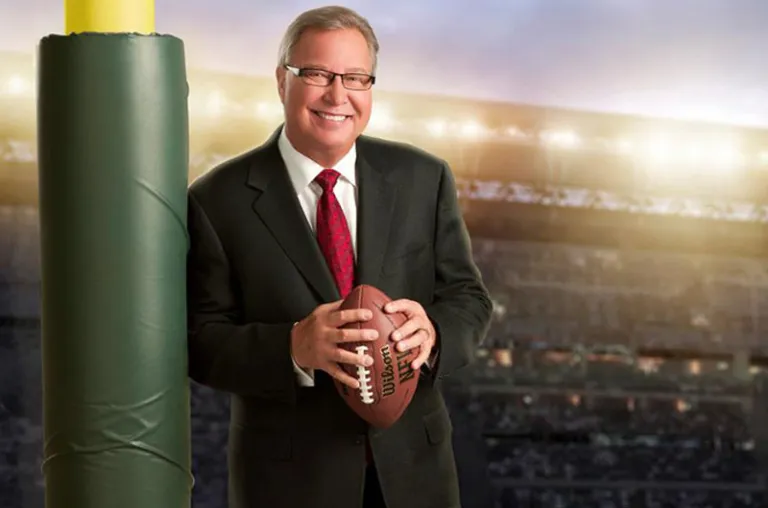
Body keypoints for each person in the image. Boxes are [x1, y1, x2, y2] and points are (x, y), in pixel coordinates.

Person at [186, 5, 492, 508]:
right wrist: (293, 347)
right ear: (282, 81)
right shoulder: (217, 200)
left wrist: (435, 332)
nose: (338, 95)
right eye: (317, 74)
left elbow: (468, 297)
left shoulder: (423, 178)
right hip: (289, 484)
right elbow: (199, 340)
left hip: (415, 475)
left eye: (355, 77)